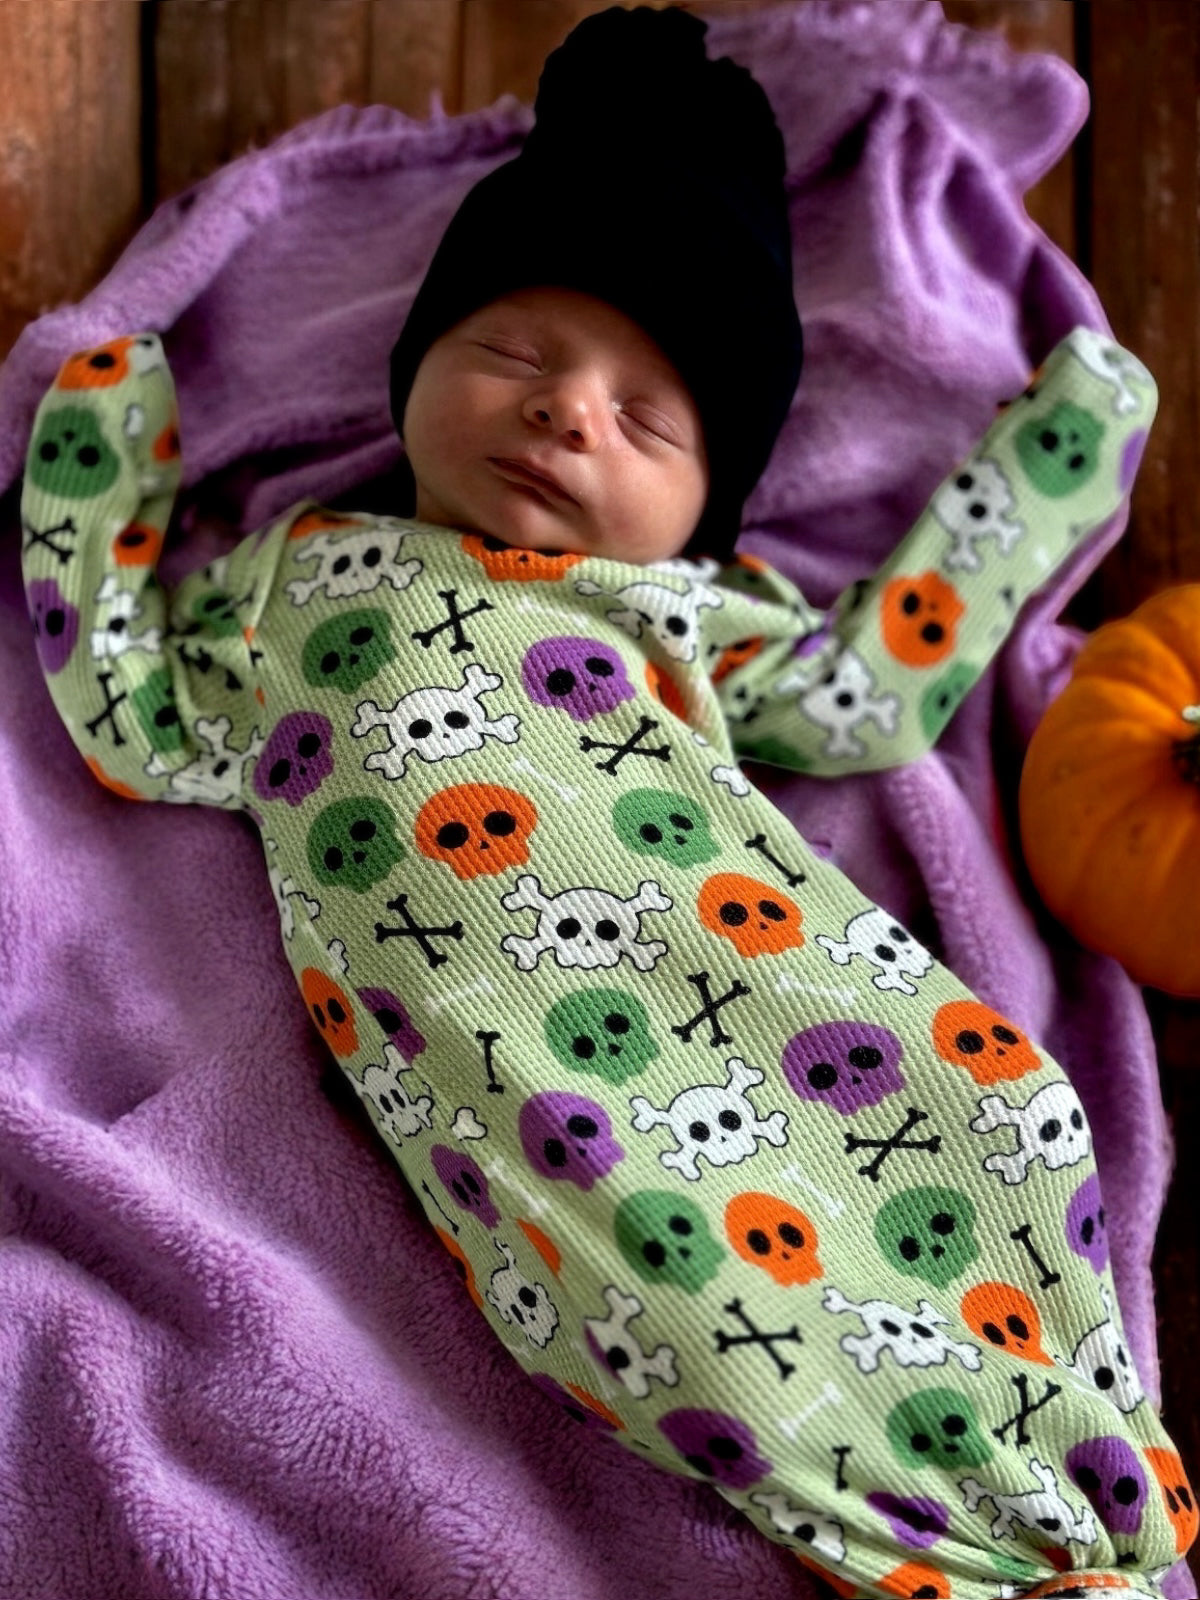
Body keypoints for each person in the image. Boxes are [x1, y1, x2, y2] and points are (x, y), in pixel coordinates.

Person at [17, 9, 1193, 1597]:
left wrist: (1060, 456)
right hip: (527, 1056)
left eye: (648, 418)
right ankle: (981, 1564)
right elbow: (127, 710)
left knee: (1002, 1116)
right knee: (681, 1296)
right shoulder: (286, 592)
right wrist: (102, 449)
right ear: (417, 365)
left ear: (705, 510)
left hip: (778, 982)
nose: (569, 410)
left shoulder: (678, 615)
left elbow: (877, 689)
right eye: (512, 351)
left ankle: (1087, 1484)